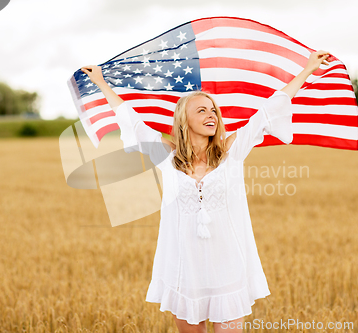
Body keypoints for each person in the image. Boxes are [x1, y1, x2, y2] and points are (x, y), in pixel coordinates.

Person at [81, 50, 330, 333]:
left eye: (213, 110)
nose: (211, 115)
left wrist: (308, 69)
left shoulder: (232, 152)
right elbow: (131, 120)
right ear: (184, 119)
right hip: (184, 270)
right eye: (202, 110)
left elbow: (269, 110)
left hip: (228, 268)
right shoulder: (166, 156)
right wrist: (101, 83)